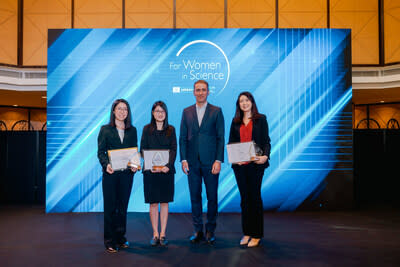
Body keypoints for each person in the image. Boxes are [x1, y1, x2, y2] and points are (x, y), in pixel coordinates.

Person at [179, 80, 225, 244]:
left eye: (203, 90)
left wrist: (219, 160)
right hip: (192, 163)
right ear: (193, 92)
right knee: (194, 197)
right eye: (197, 90)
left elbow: (221, 138)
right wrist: (183, 159)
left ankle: (210, 230)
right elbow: (182, 138)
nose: (200, 92)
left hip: (211, 162)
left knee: (212, 197)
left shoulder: (216, 111)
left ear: (208, 92)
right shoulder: (186, 112)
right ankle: (198, 230)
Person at [228, 91, 271, 248]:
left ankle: (257, 234)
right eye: (241, 101)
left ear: (252, 102)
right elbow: (231, 143)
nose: (244, 103)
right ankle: (247, 232)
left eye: (247, 100)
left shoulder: (261, 119)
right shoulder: (235, 122)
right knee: (245, 200)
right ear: (238, 105)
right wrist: (234, 158)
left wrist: (265, 156)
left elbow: (266, 141)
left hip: (255, 165)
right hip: (240, 167)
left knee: (255, 199)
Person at [97, 99, 138, 253]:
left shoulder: (132, 130)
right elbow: (101, 152)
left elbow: (134, 151)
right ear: (113, 111)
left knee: (122, 207)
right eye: (119, 108)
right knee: (110, 208)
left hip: (127, 175)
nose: (122, 112)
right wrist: (105, 164)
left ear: (128, 112)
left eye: (125, 109)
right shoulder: (105, 129)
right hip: (111, 174)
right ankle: (109, 241)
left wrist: (135, 164)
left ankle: (120, 238)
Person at [140, 101, 177, 247]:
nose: (160, 114)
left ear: (166, 113)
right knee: (153, 203)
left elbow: (174, 149)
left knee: (165, 202)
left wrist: (168, 166)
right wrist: (151, 165)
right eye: (157, 111)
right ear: (152, 113)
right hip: (151, 171)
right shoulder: (146, 129)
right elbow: (143, 149)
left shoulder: (171, 129)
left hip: (166, 172)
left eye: (162, 111)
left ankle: (163, 234)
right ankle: (155, 233)